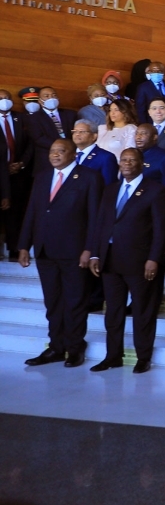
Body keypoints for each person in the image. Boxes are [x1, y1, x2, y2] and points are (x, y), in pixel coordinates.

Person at [17, 139, 103, 367]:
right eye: (52, 151)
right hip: (45, 250)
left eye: (61, 151)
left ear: (74, 154)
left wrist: (90, 249)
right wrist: (24, 245)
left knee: (75, 301)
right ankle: (56, 347)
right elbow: (33, 212)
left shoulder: (89, 177)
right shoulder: (43, 177)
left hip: (75, 252)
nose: (55, 155)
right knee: (53, 302)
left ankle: (75, 348)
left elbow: (96, 218)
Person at [84, 148, 165, 373]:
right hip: (110, 261)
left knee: (143, 311)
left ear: (142, 164)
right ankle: (113, 356)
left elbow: (161, 230)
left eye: (133, 160)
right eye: (124, 160)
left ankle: (143, 357)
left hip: (141, 262)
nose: (127, 163)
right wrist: (95, 253)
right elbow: (100, 224)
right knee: (113, 311)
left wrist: (154, 259)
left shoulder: (155, 190)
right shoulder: (110, 190)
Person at [1, 89, 34, 261]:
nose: (4, 101)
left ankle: (15, 249)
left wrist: (21, 164)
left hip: (18, 173)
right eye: (1, 99)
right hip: (0, 173)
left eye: (7, 98)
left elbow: (30, 144)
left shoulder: (20, 118)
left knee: (16, 212)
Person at [28, 86, 78, 177]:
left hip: (71, 156)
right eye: (46, 96)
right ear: (39, 101)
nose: (51, 98)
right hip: (46, 160)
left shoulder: (70, 114)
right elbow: (38, 138)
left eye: (53, 95)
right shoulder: (34, 118)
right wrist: (61, 147)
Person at [70, 120, 119, 185]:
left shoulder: (106, 157)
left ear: (94, 136)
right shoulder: (69, 155)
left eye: (82, 132)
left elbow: (108, 185)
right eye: (75, 131)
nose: (77, 134)